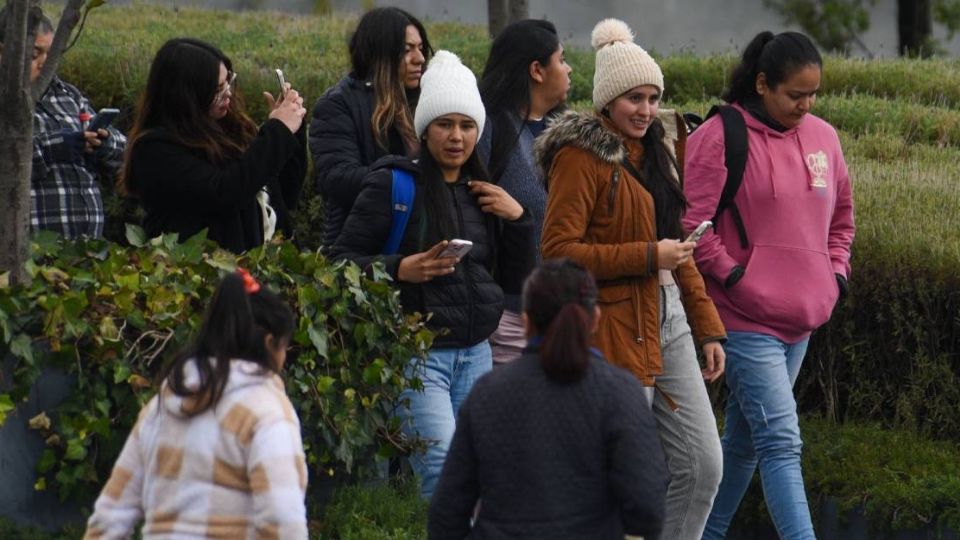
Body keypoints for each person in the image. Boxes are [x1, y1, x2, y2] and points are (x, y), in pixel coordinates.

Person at [538, 19, 727, 540]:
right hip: (612, 326)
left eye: (652, 97)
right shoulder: (580, 156)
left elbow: (678, 247)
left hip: (669, 323)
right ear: (606, 102)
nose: (645, 110)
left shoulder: (658, 150)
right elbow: (557, 253)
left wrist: (708, 326)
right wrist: (649, 255)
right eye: (633, 99)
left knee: (704, 466)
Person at [329, 50, 535, 500]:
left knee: (479, 475)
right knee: (442, 473)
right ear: (425, 129)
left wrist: (518, 220)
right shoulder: (393, 184)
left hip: (478, 352)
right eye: (445, 124)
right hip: (418, 357)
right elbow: (339, 261)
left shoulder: (485, 194)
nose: (456, 137)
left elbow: (516, 279)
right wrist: (401, 268)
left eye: (466, 125)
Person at [684, 31, 855, 540]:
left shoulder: (824, 137)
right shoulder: (720, 136)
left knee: (744, 444)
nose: (806, 105)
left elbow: (842, 220)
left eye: (813, 95)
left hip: (803, 318)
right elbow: (693, 225)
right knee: (781, 439)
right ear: (762, 84)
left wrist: (835, 277)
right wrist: (735, 275)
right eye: (794, 95)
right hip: (743, 317)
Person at [427, 259, 668, 540]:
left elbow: (447, 512)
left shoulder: (487, 393)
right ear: (596, 320)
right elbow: (647, 509)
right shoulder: (619, 391)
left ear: (526, 321)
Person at [84, 269, 308, 538]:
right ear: (269, 343)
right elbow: (283, 520)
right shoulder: (267, 413)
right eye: (284, 347)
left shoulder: (161, 407)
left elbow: (111, 514)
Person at [122, 38, 307, 253]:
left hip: (268, 271)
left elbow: (286, 193)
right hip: (202, 276)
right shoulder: (154, 149)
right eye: (218, 89)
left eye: (228, 81)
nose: (228, 93)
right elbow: (225, 192)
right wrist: (278, 130)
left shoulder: (231, 129)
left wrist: (293, 128)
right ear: (186, 95)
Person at [477, 19, 572, 365]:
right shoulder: (489, 127)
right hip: (509, 316)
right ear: (536, 70)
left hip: (562, 308)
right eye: (561, 60)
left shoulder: (564, 132)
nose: (568, 68)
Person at [309, 7, 432, 250]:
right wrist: (413, 175)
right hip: (362, 254)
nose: (419, 58)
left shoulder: (427, 100)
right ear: (380, 53)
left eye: (420, 48)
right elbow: (338, 180)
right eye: (407, 50)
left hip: (421, 245)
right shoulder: (339, 104)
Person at [0, 6, 126, 239]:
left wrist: (103, 143)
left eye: (50, 54)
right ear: (4, 53)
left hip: (86, 250)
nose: (44, 64)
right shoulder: (6, 103)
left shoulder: (68, 95)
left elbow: (125, 151)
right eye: (34, 55)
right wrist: (52, 147)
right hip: (28, 255)